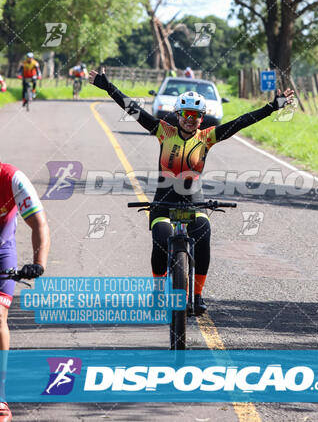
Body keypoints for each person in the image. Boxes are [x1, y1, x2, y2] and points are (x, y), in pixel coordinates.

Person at [89, 69, 294, 315]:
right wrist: (107, 86)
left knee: (204, 234)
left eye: (196, 115)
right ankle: (157, 291)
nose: (190, 119)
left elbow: (242, 121)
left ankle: (197, 295)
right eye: (186, 114)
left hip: (194, 202)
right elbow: (132, 108)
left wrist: (273, 106)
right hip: (163, 201)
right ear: (177, 115)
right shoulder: (162, 131)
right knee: (161, 238)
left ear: (202, 118)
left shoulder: (208, 137)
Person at [0, 162, 50, 420]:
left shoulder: (12, 178)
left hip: (1, 252)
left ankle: (0, 397)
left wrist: (38, 265)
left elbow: (39, 224)